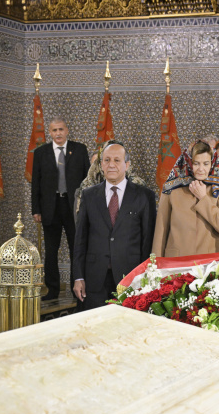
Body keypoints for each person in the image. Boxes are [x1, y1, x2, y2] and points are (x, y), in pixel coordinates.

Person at [73, 142, 156, 310]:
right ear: (101, 164)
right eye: (107, 160)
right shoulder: (88, 195)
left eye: (117, 160)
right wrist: (78, 276)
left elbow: (148, 241)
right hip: (94, 278)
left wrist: (144, 277)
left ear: (127, 165)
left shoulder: (144, 196)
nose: (111, 164)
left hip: (130, 278)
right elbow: (80, 240)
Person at [31, 117, 90, 301]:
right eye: (54, 130)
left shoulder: (79, 150)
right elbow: (36, 184)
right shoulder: (41, 153)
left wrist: (87, 208)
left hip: (74, 207)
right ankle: (53, 289)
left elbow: (88, 181)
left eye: (61, 129)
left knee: (77, 248)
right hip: (50, 207)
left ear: (67, 131)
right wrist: (36, 209)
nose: (58, 133)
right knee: (51, 250)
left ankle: (77, 287)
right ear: (50, 132)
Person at [152, 141, 219, 257]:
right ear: (188, 162)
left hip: (211, 262)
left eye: (206, 164)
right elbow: (161, 230)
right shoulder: (172, 187)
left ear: (212, 163)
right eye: (196, 163)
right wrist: (155, 265)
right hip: (177, 262)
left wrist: (203, 198)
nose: (201, 169)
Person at [75, 152, 146, 220]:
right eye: (95, 164)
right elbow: (80, 220)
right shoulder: (85, 189)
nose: (98, 168)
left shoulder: (134, 184)